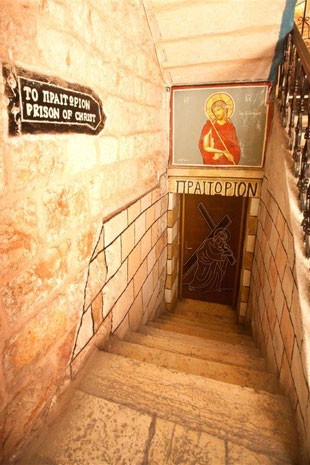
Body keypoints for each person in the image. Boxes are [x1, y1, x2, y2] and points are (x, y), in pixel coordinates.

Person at [187, 228, 235, 293]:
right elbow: (203, 252)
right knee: (201, 277)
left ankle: (214, 287)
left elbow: (225, 259)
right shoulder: (208, 242)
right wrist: (221, 256)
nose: (219, 237)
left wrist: (228, 254)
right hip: (205, 264)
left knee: (216, 275)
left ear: (225, 239)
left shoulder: (225, 246)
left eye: (222, 236)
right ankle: (195, 286)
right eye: (219, 234)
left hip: (215, 268)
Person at [199, 99, 240, 165]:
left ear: (224, 109)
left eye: (218, 110)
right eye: (214, 111)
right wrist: (222, 152)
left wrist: (232, 155)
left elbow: (235, 147)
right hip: (214, 159)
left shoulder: (230, 127)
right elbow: (205, 147)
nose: (216, 113)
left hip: (227, 162)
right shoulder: (209, 126)